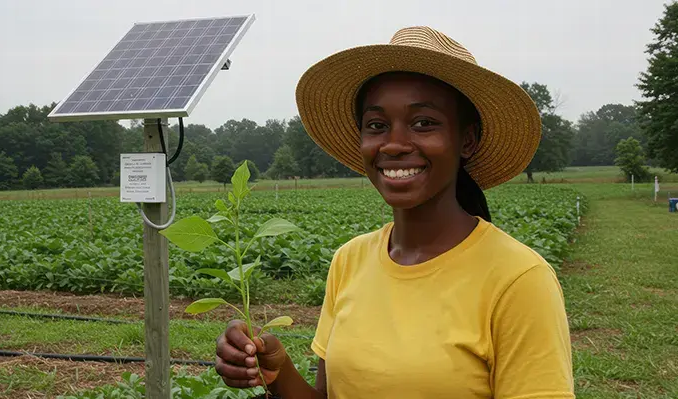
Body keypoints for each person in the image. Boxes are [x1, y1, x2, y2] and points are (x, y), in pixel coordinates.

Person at [214, 26, 574, 398]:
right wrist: (277, 371)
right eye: (377, 125)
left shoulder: (519, 279)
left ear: (466, 140)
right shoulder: (349, 260)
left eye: (423, 123)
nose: (394, 144)